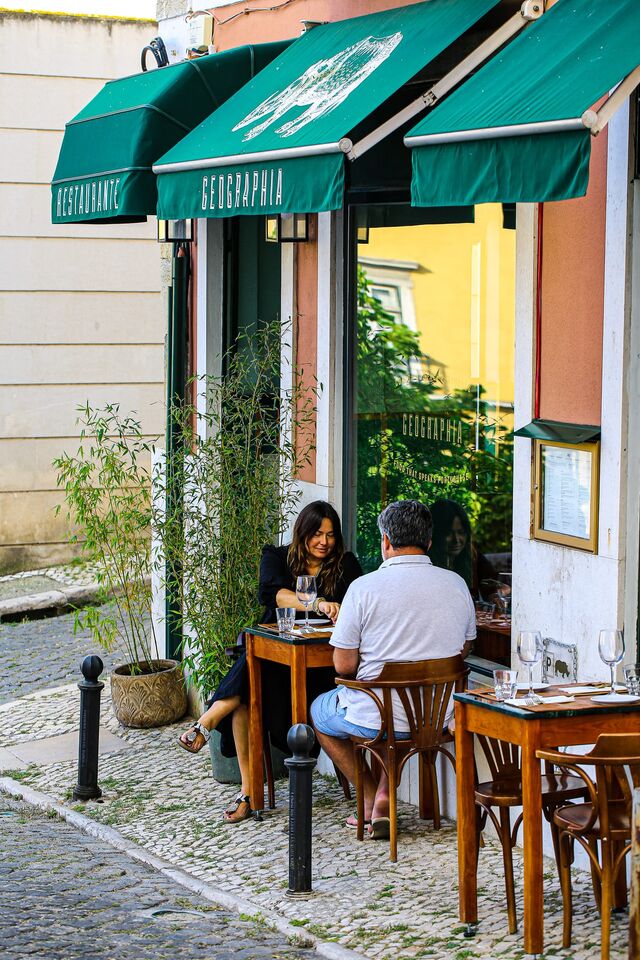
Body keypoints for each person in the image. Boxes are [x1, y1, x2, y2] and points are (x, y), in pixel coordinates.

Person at [178, 500, 362, 823]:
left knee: (248, 678)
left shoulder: (346, 565)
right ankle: (248, 793)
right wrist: (318, 603)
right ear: (302, 533)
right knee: (250, 684)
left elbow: (354, 607)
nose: (324, 542)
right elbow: (274, 595)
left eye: (331, 535)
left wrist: (335, 610)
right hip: (275, 665)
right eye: (317, 534)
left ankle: (207, 722)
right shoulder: (276, 557)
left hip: (322, 670)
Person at [310, 499, 475, 839]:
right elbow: (465, 648)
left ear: (385, 541)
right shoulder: (457, 584)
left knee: (319, 712)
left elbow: (344, 666)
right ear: (429, 542)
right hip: (436, 717)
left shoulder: (363, 589)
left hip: (377, 719)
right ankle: (384, 794)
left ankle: (371, 794)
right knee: (393, 714)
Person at [428, 498, 502, 602]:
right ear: (435, 534)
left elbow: (494, 585)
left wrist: (496, 594)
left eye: (461, 532)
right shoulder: (426, 562)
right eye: (448, 533)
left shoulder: (473, 556)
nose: (456, 540)